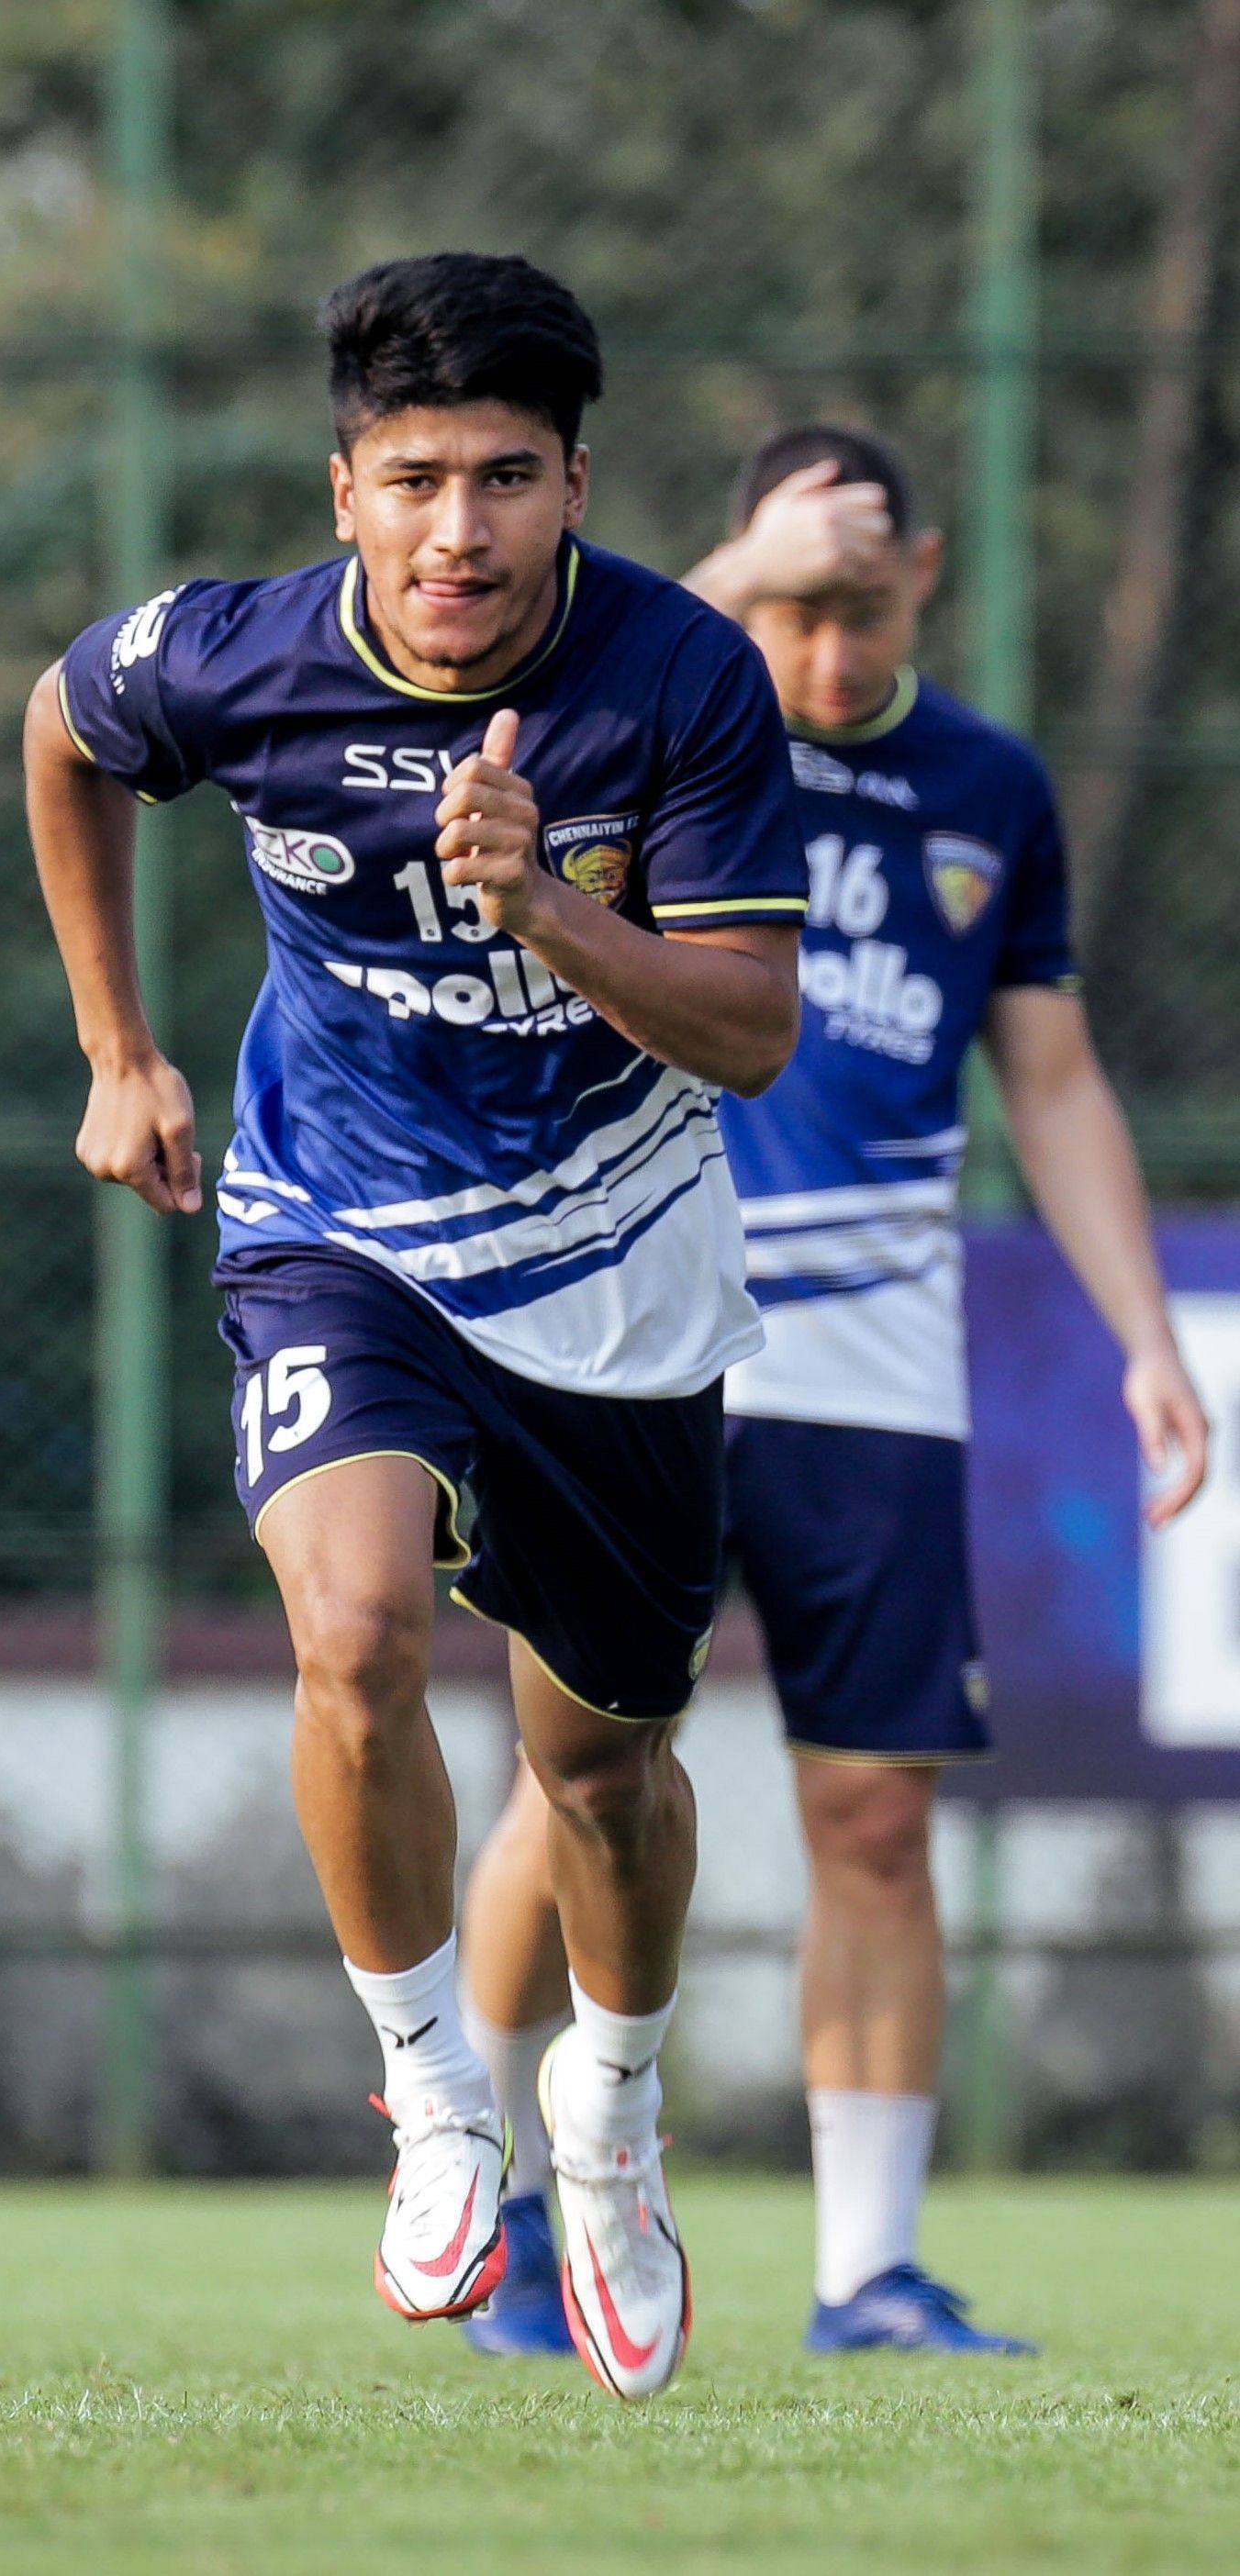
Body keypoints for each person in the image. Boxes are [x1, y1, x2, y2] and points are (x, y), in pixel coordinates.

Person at [22, 252, 809, 2400]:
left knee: (599, 1769)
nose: (456, 530)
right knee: (352, 1634)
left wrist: (546, 901)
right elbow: (63, 728)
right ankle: (430, 2097)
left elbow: (748, 1033)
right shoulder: (238, 651)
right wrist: (117, 1044)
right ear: (343, 489)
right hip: (332, 1220)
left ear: (575, 481)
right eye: (410, 481)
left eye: (503, 479)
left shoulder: (684, 683)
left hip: (612, 1265)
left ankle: (611, 2124)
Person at [458, 424, 1210, 2362]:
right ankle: (489, 2193)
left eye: (852, 605)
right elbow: (532, 701)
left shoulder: (981, 786)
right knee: (582, 1773)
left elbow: (1043, 1080)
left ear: (925, 578)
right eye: (781, 604)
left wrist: (1140, 1337)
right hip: (640, 1332)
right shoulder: (682, 721)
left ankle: (864, 2270)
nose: (813, 648)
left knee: (873, 1817)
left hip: (878, 1366)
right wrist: (732, 570)